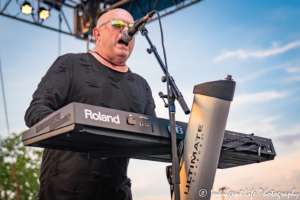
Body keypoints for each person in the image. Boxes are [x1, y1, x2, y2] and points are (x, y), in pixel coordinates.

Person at [25, 8, 156, 200]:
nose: (127, 31)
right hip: (62, 192)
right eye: (118, 25)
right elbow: (35, 112)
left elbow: (154, 136)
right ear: (97, 34)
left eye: (131, 28)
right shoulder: (70, 64)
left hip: (117, 193)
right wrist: (75, 126)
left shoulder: (141, 85)